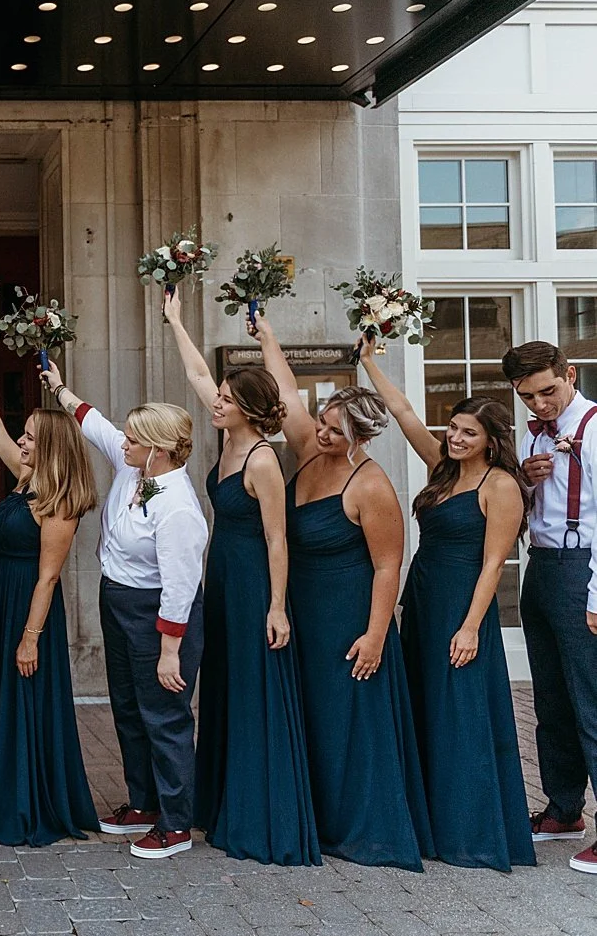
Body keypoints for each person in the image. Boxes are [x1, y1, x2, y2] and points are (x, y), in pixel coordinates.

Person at [254, 315, 433, 870]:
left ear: (364, 434)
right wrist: (267, 337)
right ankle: (311, 816)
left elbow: (388, 566)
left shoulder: (372, 484)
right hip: (301, 606)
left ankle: (357, 824)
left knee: (348, 720)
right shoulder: (309, 450)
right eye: (324, 423)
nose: (323, 433)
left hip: (350, 613)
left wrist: (377, 637)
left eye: (337, 429)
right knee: (307, 712)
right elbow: (286, 392)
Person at [360, 341, 535, 871]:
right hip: (424, 598)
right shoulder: (443, 466)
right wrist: (368, 359)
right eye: (454, 428)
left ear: (491, 441)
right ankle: (430, 823)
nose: (456, 438)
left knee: (461, 714)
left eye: (468, 433)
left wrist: (472, 627)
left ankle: (470, 829)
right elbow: (406, 412)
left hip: (463, 606)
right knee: (426, 707)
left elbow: (494, 564)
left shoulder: (501, 484)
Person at [162, 292, 318, 867]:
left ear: (248, 409)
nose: (215, 402)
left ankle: (260, 811)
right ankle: (221, 801)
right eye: (219, 397)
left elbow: (279, 538)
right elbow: (199, 371)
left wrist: (277, 607)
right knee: (224, 688)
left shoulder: (261, 460)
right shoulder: (228, 438)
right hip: (221, 577)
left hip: (254, 582)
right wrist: (176, 320)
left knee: (255, 691)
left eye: (226, 400)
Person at [42, 363, 206, 860]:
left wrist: (169, 651)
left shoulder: (177, 506)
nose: (123, 443)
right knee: (129, 708)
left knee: (164, 715)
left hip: (157, 614)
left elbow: (181, 587)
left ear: (158, 449)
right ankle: (143, 803)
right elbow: (95, 426)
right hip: (117, 601)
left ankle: (176, 824)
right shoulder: (135, 466)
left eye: (133, 440)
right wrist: (60, 388)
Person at [0, 355, 101, 847]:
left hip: (29, 609)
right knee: (0, 696)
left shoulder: (58, 499)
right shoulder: (25, 476)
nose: (21, 440)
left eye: (31, 436)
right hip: (3, 598)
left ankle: (26, 802)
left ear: (52, 446)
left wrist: (30, 639)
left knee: (25, 695)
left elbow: (49, 578)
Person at [502, 341, 597, 874]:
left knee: (591, 701)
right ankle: (564, 809)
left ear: (571, 375)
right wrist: (528, 482)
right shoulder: (534, 433)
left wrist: (596, 597)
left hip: (582, 569)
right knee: (551, 699)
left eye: (548, 391)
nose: (540, 404)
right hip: (541, 566)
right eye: (527, 397)